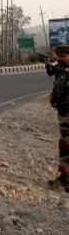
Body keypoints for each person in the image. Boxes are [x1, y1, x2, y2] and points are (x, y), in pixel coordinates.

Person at [44, 43, 69, 192]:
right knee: (65, 144)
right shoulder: (61, 70)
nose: (59, 59)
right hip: (63, 113)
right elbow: (52, 72)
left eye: (63, 56)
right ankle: (65, 177)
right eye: (58, 56)